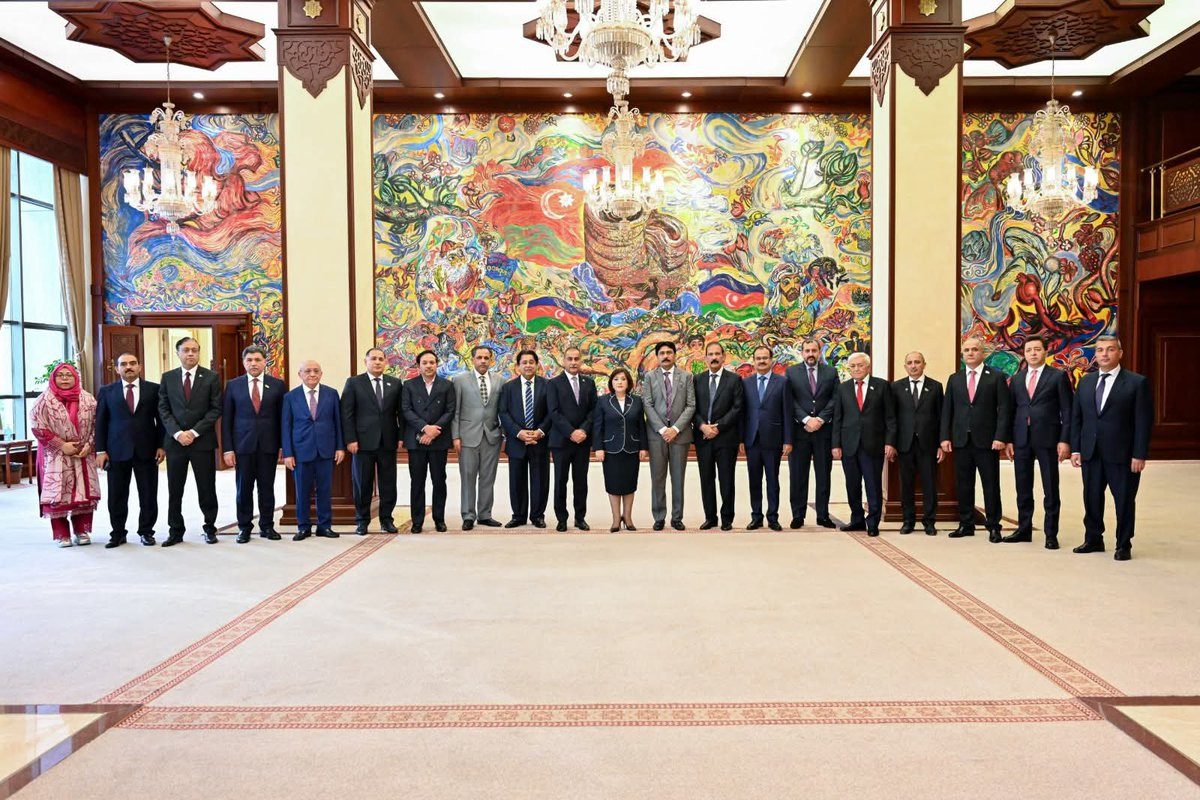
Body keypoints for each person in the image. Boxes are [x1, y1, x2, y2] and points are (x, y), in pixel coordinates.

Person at [1070, 336, 1152, 561]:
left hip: (1123, 455)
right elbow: (1077, 418)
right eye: (1100, 350)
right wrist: (1076, 449)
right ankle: (1093, 539)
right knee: (1091, 498)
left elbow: (1143, 422)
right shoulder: (1085, 382)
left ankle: (1123, 544)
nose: (1104, 354)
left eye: (1110, 349)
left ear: (1120, 353)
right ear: (1095, 355)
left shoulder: (1136, 383)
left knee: (1124, 500)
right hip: (1091, 451)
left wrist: (1139, 454)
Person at [940, 337, 1012, 542]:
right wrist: (944, 437)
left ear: (983, 353)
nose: (970, 353)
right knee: (963, 484)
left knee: (991, 485)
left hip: (987, 441)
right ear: (962, 354)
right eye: (967, 350)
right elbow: (947, 410)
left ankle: (994, 526)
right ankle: (966, 523)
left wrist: (1001, 437)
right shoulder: (955, 379)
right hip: (961, 441)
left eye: (974, 350)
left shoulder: (996, 377)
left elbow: (1004, 409)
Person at [1006, 335, 1073, 549]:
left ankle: (1051, 534)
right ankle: (1024, 529)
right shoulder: (1017, 379)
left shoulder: (1058, 376)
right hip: (1021, 438)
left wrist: (1065, 440)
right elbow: (1011, 411)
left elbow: (1067, 411)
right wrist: (1009, 440)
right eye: (1029, 350)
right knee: (1023, 487)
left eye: (1037, 349)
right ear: (1024, 354)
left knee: (1050, 488)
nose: (1033, 353)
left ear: (1046, 351)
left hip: (1048, 438)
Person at [95, 352, 164, 547]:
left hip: (147, 450)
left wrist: (161, 445)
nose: (128, 367)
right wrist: (100, 450)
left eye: (133, 363)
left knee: (148, 494)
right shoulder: (106, 391)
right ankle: (118, 533)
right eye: (123, 364)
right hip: (116, 451)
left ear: (139, 367)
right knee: (116, 495)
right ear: (117, 369)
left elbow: (161, 420)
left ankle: (146, 532)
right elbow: (100, 423)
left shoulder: (154, 389)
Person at [158, 336, 223, 546]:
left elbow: (215, 409)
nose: (190, 353)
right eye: (186, 350)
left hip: (202, 442)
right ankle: (175, 530)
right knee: (175, 489)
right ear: (178, 353)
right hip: (175, 443)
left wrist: (193, 433)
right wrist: (178, 433)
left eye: (194, 350)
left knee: (207, 488)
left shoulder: (211, 377)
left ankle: (210, 527)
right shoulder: (168, 377)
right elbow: (163, 409)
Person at [31, 364, 101, 548]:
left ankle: (81, 530)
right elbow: (37, 427)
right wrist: (61, 445)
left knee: (82, 493)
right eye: (60, 375)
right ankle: (62, 534)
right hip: (54, 455)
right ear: (53, 378)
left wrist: (90, 445)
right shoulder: (43, 400)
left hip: (83, 453)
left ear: (75, 378)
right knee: (57, 495)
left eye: (69, 375)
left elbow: (98, 424)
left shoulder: (88, 399)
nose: (64, 378)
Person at [221, 346, 285, 543]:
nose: (254, 363)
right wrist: (228, 449)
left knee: (267, 488)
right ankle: (244, 527)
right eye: (249, 360)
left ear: (265, 362)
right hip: (243, 446)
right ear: (244, 363)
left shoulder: (277, 385)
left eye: (257, 360)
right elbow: (227, 420)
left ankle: (267, 526)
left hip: (269, 445)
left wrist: (283, 446)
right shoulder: (233, 385)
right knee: (244, 489)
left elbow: (283, 418)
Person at [830, 353, 897, 537]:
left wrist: (890, 442)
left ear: (868, 366)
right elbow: (837, 418)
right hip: (849, 445)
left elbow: (890, 417)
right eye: (852, 366)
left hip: (873, 444)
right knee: (852, 485)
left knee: (873, 485)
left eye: (860, 365)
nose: (856, 369)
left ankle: (873, 522)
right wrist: (835, 444)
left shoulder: (882, 386)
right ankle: (857, 519)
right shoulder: (843, 388)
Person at [342, 347, 404, 535]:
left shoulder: (395, 383)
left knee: (388, 483)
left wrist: (401, 437)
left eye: (380, 359)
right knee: (362, 483)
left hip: (388, 441)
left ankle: (387, 520)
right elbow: (346, 414)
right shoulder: (354, 383)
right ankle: (362, 521)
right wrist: (350, 439)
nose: (377, 362)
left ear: (385, 362)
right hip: (361, 443)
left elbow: (401, 413)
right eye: (373, 359)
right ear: (366, 362)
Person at [281, 360, 345, 540]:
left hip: (326, 450)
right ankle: (303, 527)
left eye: (316, 371)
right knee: (302, 491)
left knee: (325, 490)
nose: (312, 374)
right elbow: (286, 426)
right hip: (301, 451)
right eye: (307, 371)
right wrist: (288, 453)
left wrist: (340, 447)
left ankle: (324, 526)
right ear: (300, 374)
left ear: (321, 374)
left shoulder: (331, 394)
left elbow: (338, 422)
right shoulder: (290, 397)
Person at [642, 341, 696, 531]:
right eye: (662, 353)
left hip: (680, 435)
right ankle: (659, 517)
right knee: (657, 478)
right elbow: (647, 404)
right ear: (657, 356)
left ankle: (677, 517)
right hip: (657, 436)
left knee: (678, 478)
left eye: (669, 352)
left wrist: (675, 429)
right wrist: (663, 430)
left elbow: (691, 405)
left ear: (674, 355)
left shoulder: (686, 376)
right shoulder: (649, 377)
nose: (666, 356)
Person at [785, 338, 838, 529]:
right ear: (802, 352)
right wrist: (807, 419)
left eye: (814, 350)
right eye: (807, 350)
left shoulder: (831, 372)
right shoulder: (791, 372)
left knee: (823, 475)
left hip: (823, 432)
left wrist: (820, 419)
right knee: (798, 476)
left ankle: (822, 515)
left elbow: (835, 399)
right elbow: (789, 400)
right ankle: (798, 515)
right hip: (800, 432)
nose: (810, 354)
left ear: (819, 351)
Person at [402, 349, 455, 533]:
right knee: (417, 482)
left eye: (432, 362)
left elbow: (450, 410)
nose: (428, 366)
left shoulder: (447, 385)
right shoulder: (409, 385)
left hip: (439, 440)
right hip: (416, 440)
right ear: (418, 365)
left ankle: (439, 519)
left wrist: (434, 430)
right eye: (424, 363)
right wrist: (425, 428)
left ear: (437, 364)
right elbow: (406, 410)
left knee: (439, 481)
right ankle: (417, 521)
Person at [741, 345, 793, 530]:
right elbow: (742, 413)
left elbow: (787, 412)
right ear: (753, 361)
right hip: (752, 439)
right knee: (754, 480)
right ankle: (756, 516)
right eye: (758, 358)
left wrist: (788, 440)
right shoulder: (746, 383)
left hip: (774, 439)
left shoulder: (783, 382)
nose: (761, 361)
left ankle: (773, 517)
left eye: (765, 358)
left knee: (772, 480)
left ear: (771, 360)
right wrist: (741, 439)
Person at [891, 351, 943, 535]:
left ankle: (929, 521)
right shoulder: (896, 387)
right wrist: (891, 443)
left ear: (924, 364)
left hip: (928, 444)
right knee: (906, 484)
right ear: (905, 366)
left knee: (929, 484)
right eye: (910, 362)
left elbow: (941, 417)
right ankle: (908, 520)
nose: (913, 366)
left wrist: (941, 444)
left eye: (917, 362)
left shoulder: (935, 387)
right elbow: (892, 418)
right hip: (904, 444)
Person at [693, 341, 743, 531]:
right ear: (705, 357)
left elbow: (737, 408)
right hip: (703, 437)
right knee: (706, 479)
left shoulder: (734, 380)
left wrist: (718, 427)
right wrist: (702, 426)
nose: (714, 357)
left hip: (726, 437)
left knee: (726, 479)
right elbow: (692, 407)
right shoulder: (697, 380)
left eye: (717, 354)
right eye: (710, 354)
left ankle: (727, 518)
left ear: (723, 357)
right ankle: (710, 517)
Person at [498, 349, 551, 528]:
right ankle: (518, 516)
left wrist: (540, 431)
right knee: (517, 481)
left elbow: (552, 412)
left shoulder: (547, 386)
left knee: (540, 480)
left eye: (531, 362)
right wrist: (518, 432)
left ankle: (537, 516)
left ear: (537, 365)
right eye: (524, 362)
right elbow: (503, 413)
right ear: (518, 366)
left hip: (540, 440)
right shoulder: (508, 387)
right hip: (516, 441)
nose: (528, 365)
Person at [452, 346, 503, 530]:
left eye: (486, 358)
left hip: (492, 436)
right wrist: (456, 436)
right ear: (472, 359)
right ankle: (468, 515)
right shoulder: (459, 380)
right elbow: (455, 411)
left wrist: (502, 434)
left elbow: (502, 410)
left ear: (491, 360)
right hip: (467, 436)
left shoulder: (500, 381)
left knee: (488, 477)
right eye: (479, 357)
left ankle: (485, 514)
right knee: (468, 477)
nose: (483, 361)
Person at [546, 346, 597, 531]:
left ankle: (580, 518)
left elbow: (594, 410)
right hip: (561, 441)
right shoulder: (553, 384)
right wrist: (571, 432)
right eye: (570, 359)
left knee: (581, 482)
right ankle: (561, 519)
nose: (573, 362)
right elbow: (553, 412)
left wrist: (583, 430)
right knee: (561, 481)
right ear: (563, 361)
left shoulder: (589, 383)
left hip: (582, 441)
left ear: (581, 360)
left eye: (576, 359)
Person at [592, 367, 648, 532]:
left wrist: (643, 447)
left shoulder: (637, 401)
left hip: (632, 448)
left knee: (630, 484)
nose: (620, 382)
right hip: (610, 449)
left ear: (628, 382)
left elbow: (641, 425)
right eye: (616, 379)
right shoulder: (603, 401)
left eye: (623, 379)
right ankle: (616, 519)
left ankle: (628, 517)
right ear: (611, 383)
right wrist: (598, 447)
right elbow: (598, 426)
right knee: (613, 485)